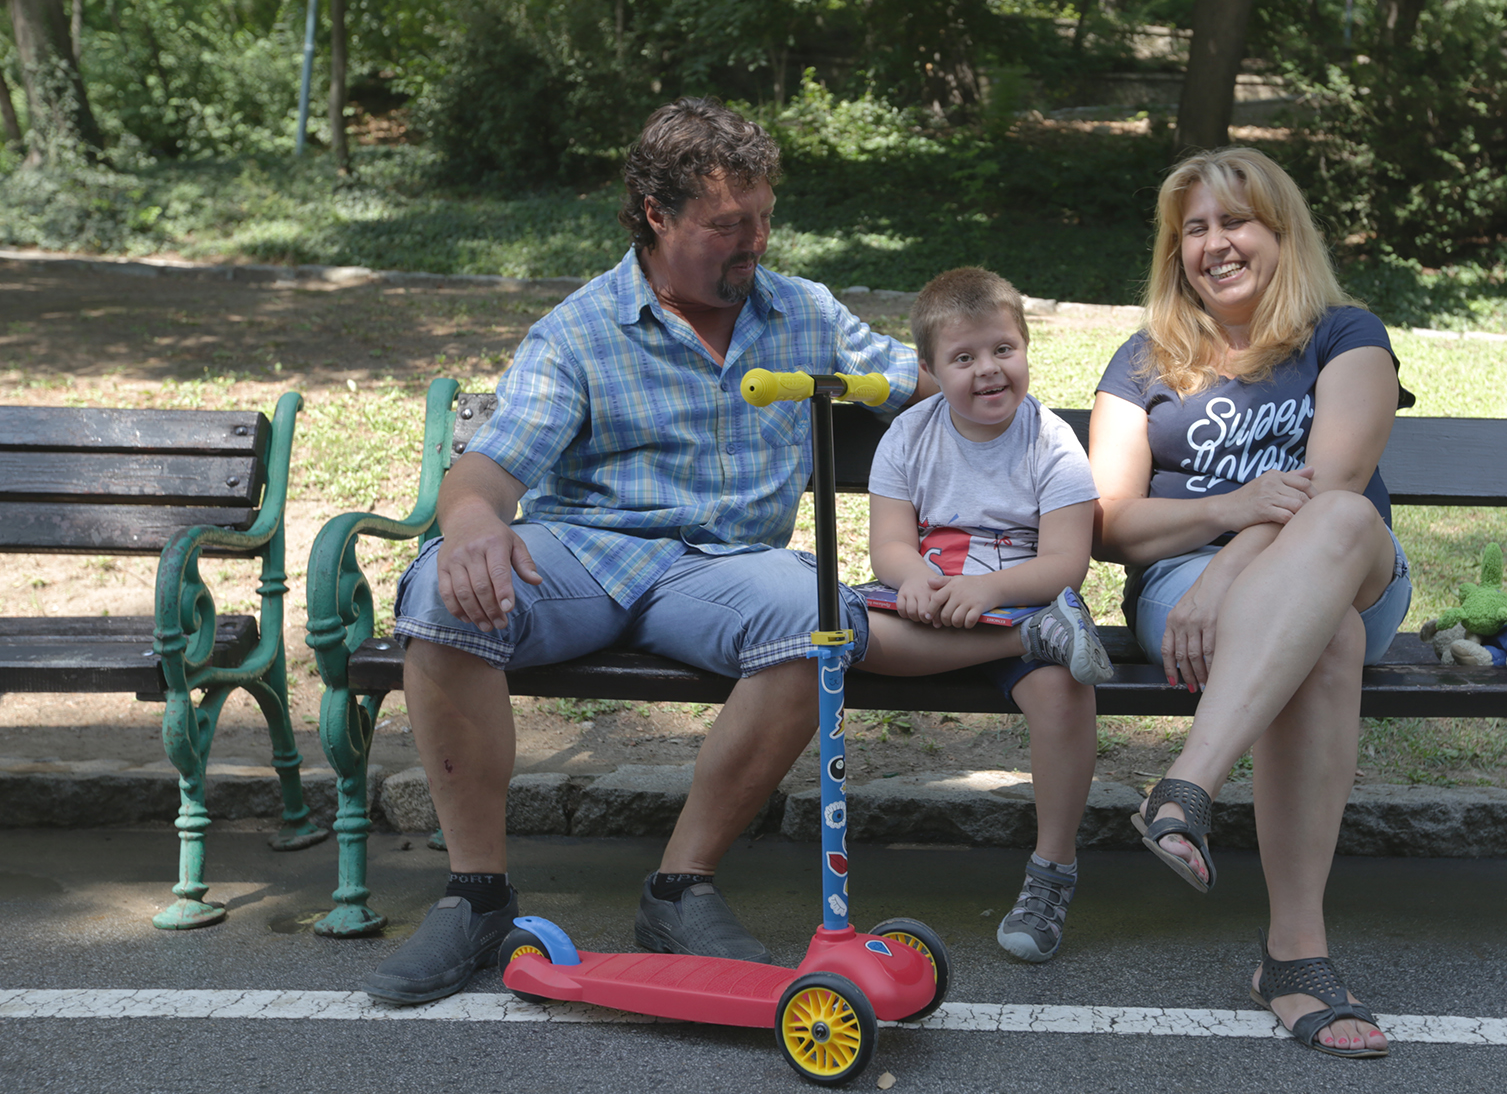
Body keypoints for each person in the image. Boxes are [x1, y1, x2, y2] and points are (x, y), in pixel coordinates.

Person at [362, 98, 1034, 1005]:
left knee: (814, 617)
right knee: (444, 597)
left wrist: (1026, 421)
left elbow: (925, 384)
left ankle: (681, 889)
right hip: (587, 555)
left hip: (725, 572)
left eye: (763, 217)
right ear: (656, 215)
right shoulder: (581, 330)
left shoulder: (805, 312)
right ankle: (476, 897)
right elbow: (488, 468)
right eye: (727, 224)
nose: (753, 242)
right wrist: (474, 521)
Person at [1088, 147, 1412, 1059]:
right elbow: (1110, 522)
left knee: (1340, 519)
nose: (1214, 243)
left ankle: (1187, 783)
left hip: (1336, 565)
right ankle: (1295, 957)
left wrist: (1230, 569)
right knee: (1323, 637)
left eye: (1235, 221)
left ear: (1281, 232)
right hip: (1183, 590)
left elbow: (1334, 484)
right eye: (1194, 229)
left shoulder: (1346, 335)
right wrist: (1227, 512)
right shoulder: (1143, 360)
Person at [864, 266, 1112, 963]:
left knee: (1065, 690)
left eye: (1003, 349)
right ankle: (1037, 638)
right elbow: (889, 543)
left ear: (1026, 347)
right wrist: (914, 578)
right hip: (938, 612)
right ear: (930, 369)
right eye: (964, 357)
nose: (988, 370)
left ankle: (1052, 871)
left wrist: (993, 592)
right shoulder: (909, 436)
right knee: (849, 635)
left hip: (1022, 605)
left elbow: (1066, 562)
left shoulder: (1050, 442)